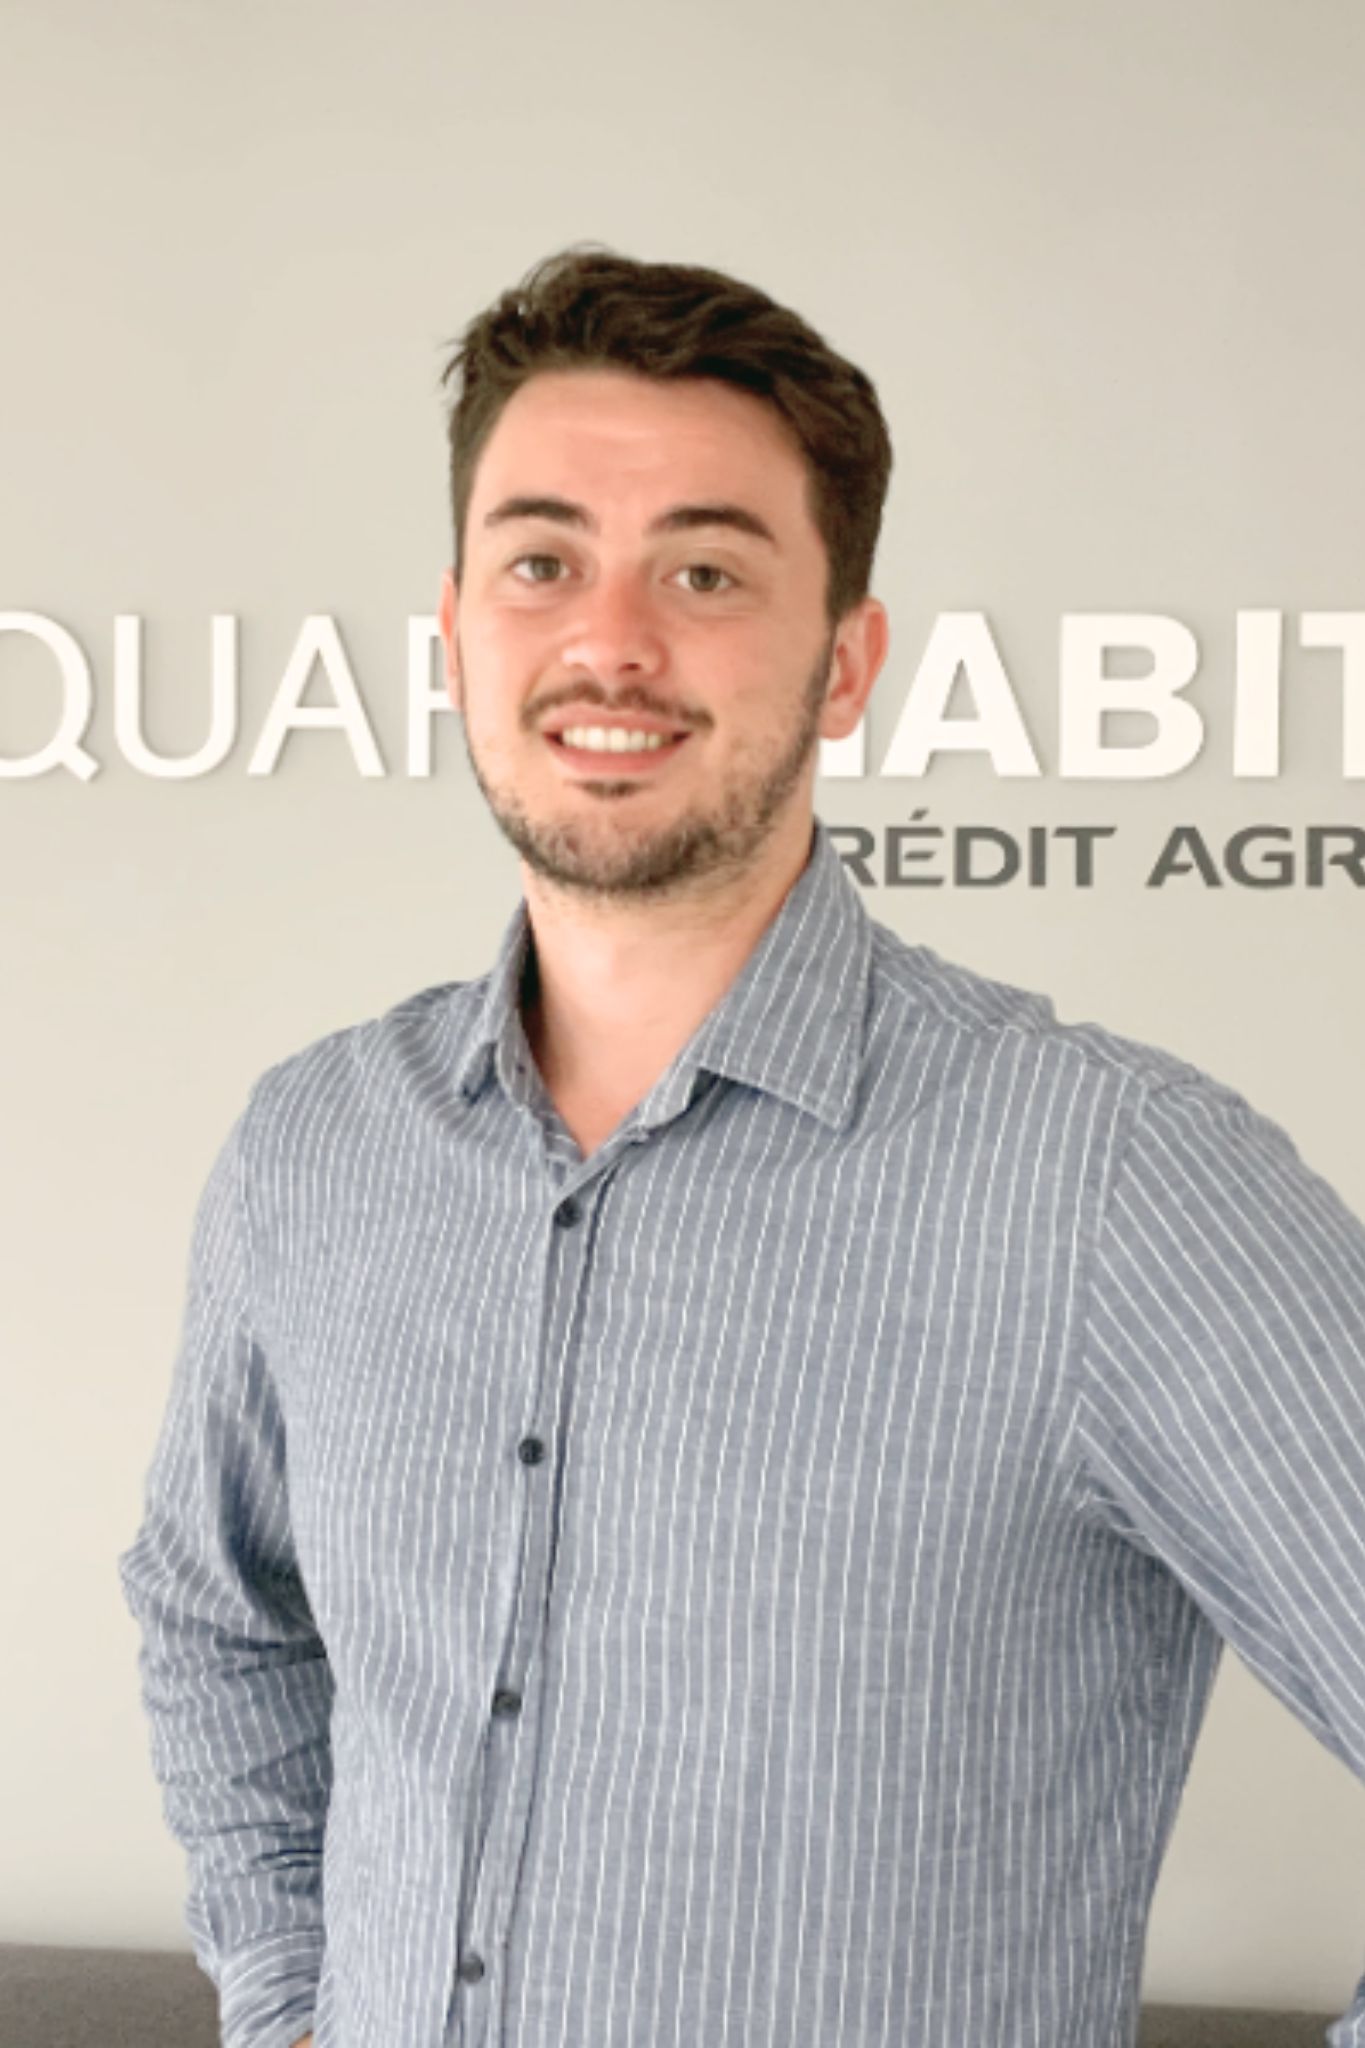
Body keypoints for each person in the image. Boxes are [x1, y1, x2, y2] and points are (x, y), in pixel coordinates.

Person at [118, 245, 1365, 2048]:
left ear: (844, 662)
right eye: (542, 562)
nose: (610, 640)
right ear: (455, 633)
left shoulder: (1115, 1185)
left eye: (704, 571)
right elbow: (215, 1616)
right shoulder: (313, 1148)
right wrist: (290, 1994)